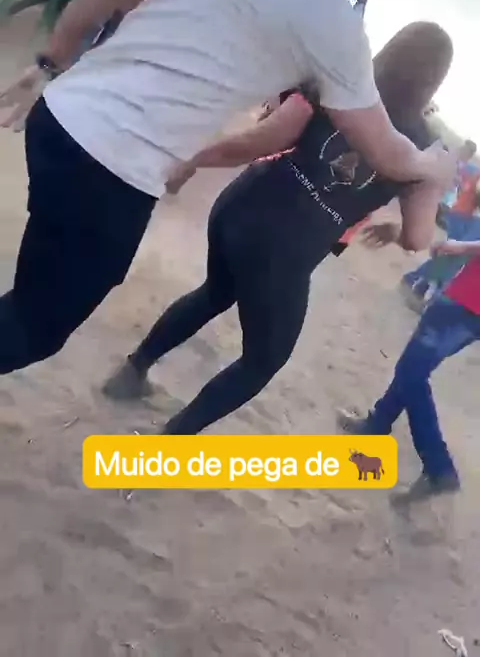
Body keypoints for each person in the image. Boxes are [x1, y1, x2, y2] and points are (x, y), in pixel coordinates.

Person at [0, 0, 454, 376]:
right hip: (114, 169)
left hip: (59, 118)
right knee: (37, 326)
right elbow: (386, 152)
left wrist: (51, 61)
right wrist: (431, 166)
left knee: (35, 291)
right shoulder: (337, 27)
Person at [102, 22, 454, 435]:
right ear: (434, 82)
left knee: (215, 292)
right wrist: (431, 187)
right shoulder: (424, 149)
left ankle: (131, 372)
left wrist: (195, 159)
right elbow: (417, 238)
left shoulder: (340, 86)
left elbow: (258, 141)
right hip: (288, 248)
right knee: (264, 360)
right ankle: (171, 439)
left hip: (243, 204)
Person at [339, 233, 480, 500]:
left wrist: (461, 246)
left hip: (467, 301)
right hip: (470, 307)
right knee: (415, 367)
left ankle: (438, 466)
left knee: (412, 372)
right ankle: (378, 424)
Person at [402, 139, 480, 305]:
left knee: (453, 257)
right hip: (465, 217)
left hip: (466, 217)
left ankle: (417, 282)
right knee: (453, 257)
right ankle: (420, 286)